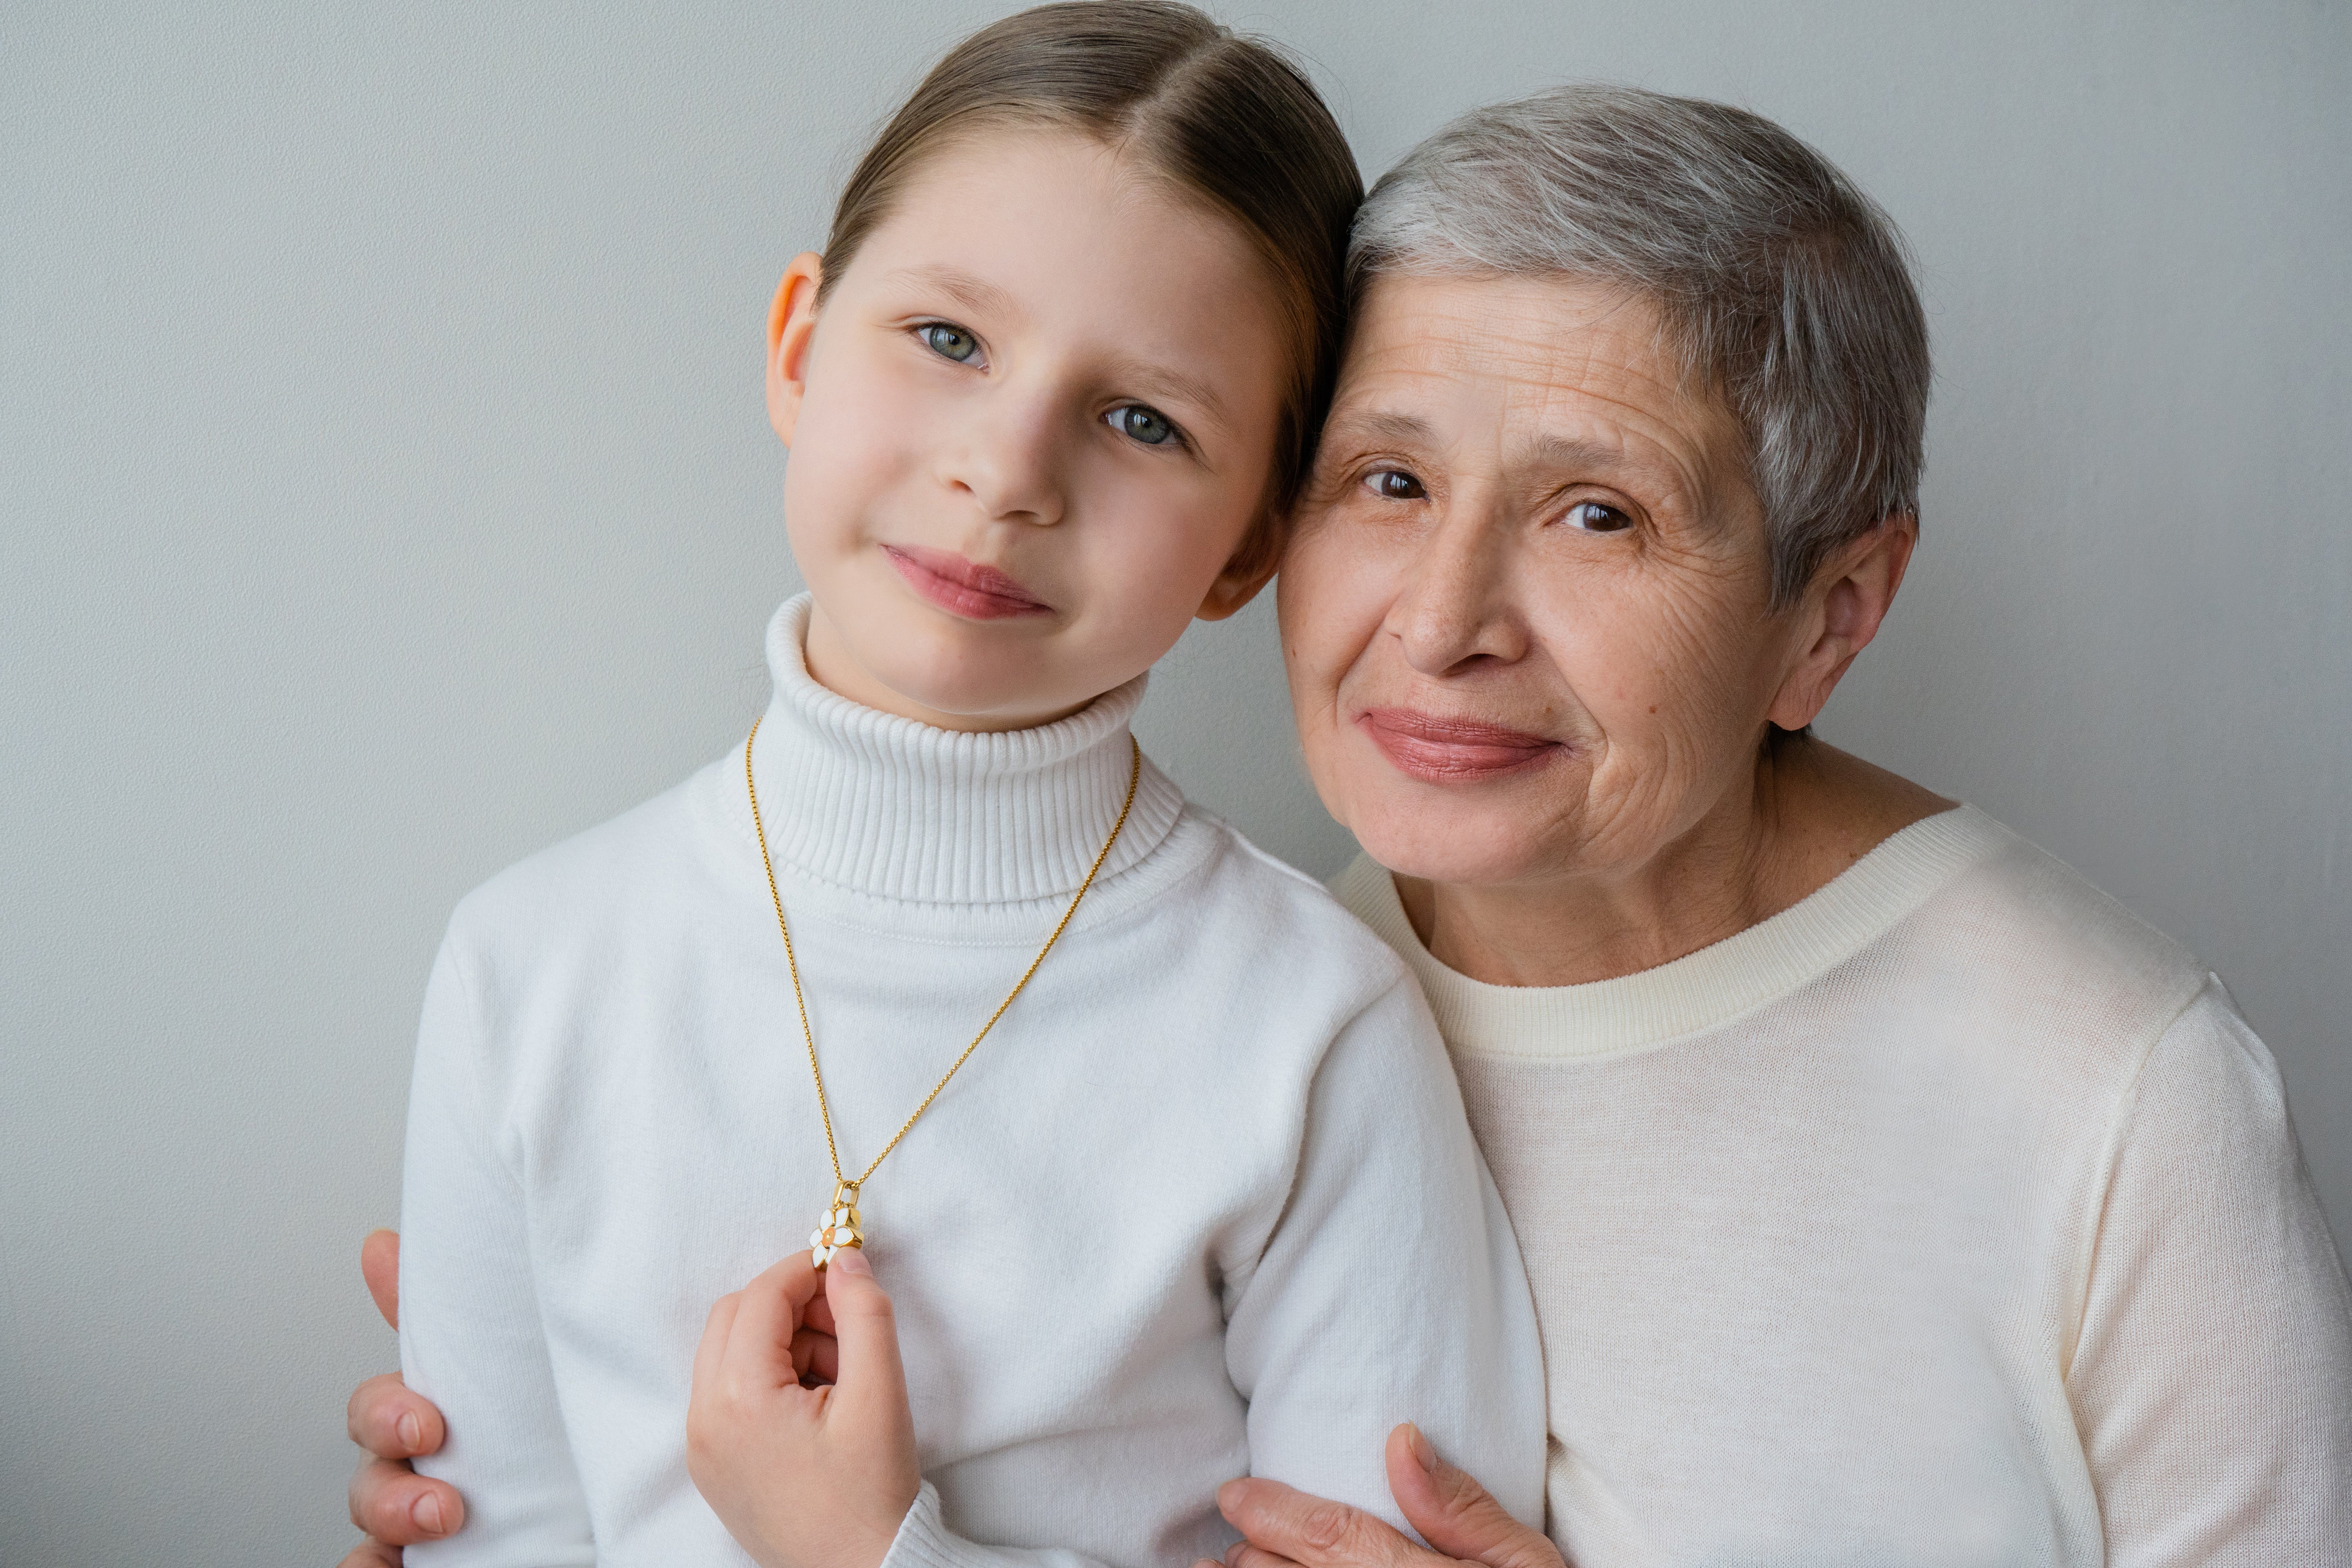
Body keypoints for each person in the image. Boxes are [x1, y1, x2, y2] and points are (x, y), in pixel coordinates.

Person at [344, 78, 2352, 1568]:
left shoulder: (2113, 1094)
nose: (1445, 622)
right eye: (1388, 481)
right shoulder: (1277, 995)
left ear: (1829, 615)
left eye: (1598, 513)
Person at [381, 5, 1546, 1567]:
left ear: (1249, 548)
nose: (1007, 473)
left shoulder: (1314, 1035)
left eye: (1143, 421)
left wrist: (874, 1553)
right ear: (800, 350)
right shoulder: (525, 969)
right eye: (948, 340)